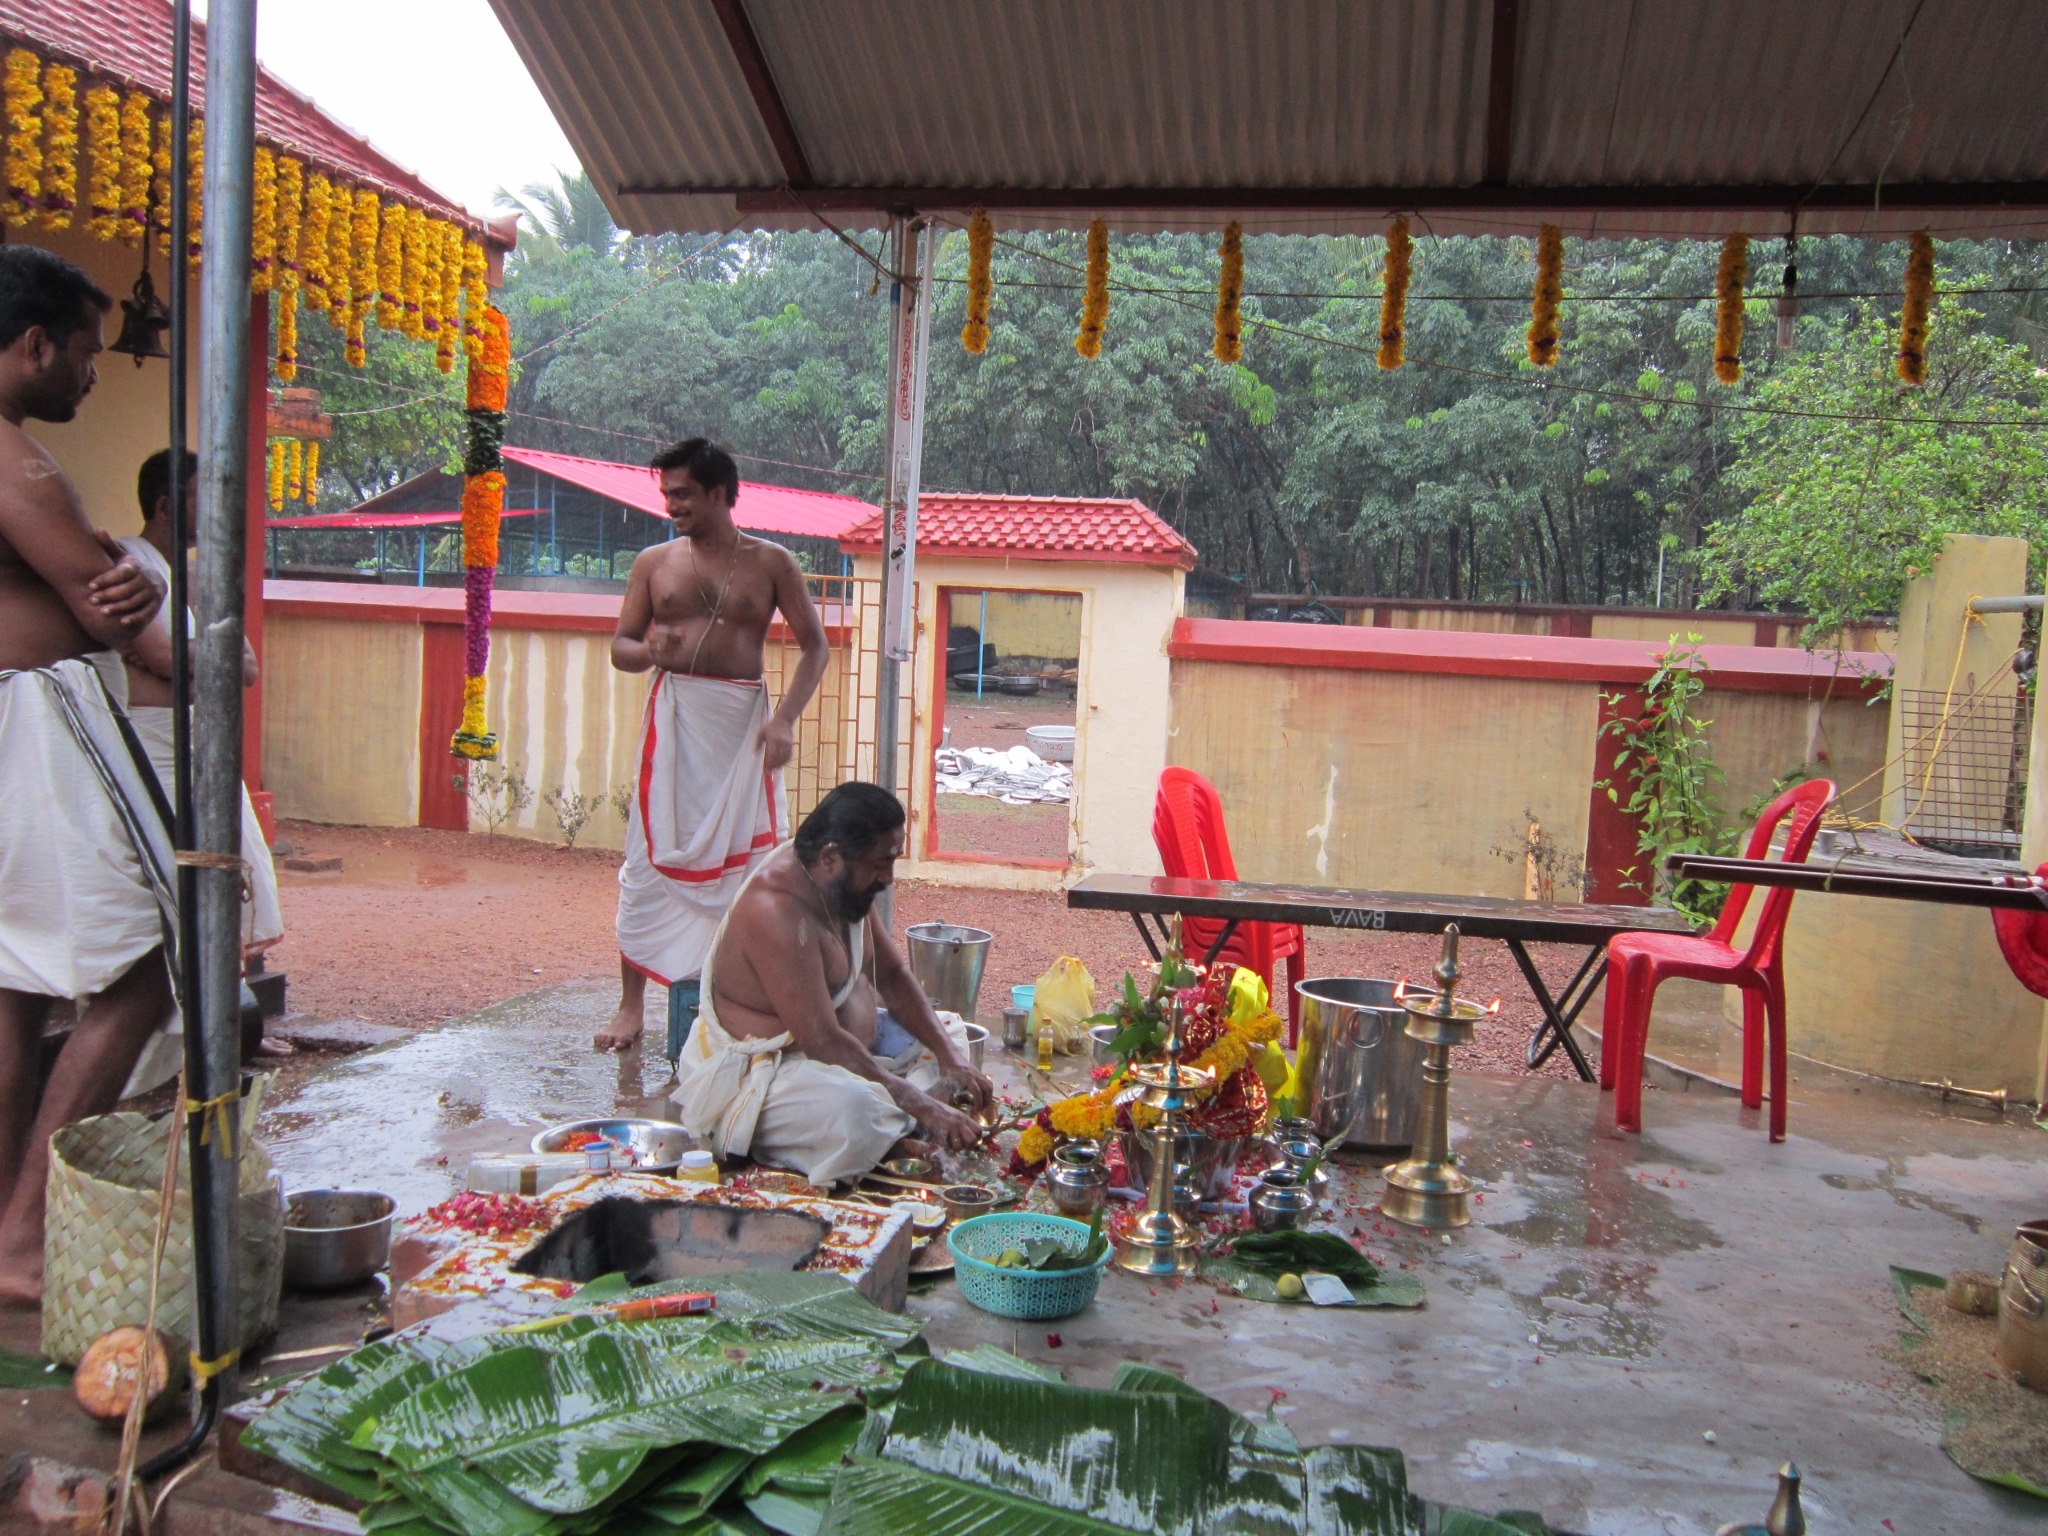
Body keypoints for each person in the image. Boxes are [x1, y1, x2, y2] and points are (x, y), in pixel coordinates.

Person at [0, 246, 174, 1304]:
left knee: (14, 986)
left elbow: (98, 591)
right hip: (31, 725)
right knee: (152, 960)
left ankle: (6, 1233)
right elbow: (116, 608)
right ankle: (24, 1232)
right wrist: (207, 662)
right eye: (84, 355)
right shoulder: (17, 463)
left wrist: (100, 597)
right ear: (31, 347)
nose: (93, 377)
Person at [603, 438, 830, 1055]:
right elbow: (620, 646)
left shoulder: (773, 562)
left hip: (742, 729)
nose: (672, 505)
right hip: (676, 723)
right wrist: (648, 651)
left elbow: (816, 646)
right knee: (648, 860)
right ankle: (631, 1006)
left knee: (751, 868)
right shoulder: (654, 563)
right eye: (667, 494)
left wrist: (783, 721)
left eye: (683, 494)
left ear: (720, 492)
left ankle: (742, 1000)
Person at [672, 782, 995, 1186]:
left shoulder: (841, 886)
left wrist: (950, 1059)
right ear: (830, 857)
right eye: (880, 864)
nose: (889, 878)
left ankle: (898, 1124)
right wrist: (917, 1101)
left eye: (892, 860)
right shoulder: (775, 910)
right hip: (769, 1073)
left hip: (851, 1056)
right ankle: (893, 1132)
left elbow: (893, 978)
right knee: (853, 1110)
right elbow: (821, 1041)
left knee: (950, 1034)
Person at [117, 448, 283, 972]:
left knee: (220, 869)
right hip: (151, 746)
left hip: (194, 744)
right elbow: (160, 654)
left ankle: (218, 1014)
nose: (215, 508)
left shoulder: (189, 578)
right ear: (165, 507)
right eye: (199, 497)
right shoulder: (128, 562)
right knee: (165, 883)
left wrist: (181, 661)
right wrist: (185, 659)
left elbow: (248, 669)